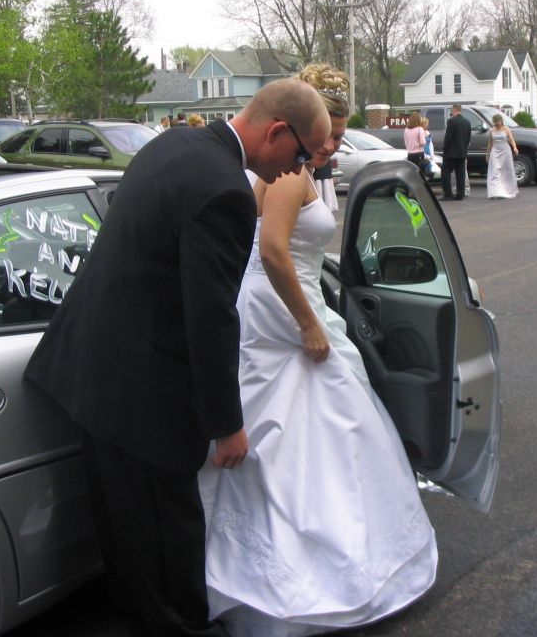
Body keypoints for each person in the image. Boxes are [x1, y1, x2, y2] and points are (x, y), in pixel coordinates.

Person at [24, 78, 331, 637]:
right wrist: (227, 425)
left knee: (125, 542)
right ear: (276, 132)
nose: (299, 168)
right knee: (168, 549)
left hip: (89, 372)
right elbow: (210, 317)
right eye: (302, 153)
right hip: (143, 398)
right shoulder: (225, 193)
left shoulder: (169, 147)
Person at [198, 65, 437, 637]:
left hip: (289, 298)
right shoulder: (286, 177)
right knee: (297, 431)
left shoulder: (299, 168)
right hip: (282, 307)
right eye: (330, 129)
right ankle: (297, 568)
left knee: (319, 424)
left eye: (339, 131)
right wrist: (308, 323)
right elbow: (274, 251)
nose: (333, 142)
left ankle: (340, 553)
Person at [298, 63, 348, 212]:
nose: (330, 146)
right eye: (323, 134)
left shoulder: (305, 170)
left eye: (338, 137)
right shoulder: (291, 176)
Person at [441, 104, 471, 200]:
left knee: (445, 172)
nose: (451, 112)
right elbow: (468, 138)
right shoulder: (467, 122)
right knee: (460, 174)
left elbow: (448, 137)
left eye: (451, 110)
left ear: (454, 109)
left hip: (451, 153)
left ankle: (448, 194)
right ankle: (460, 194)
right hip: (462, 152)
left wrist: (445, 148)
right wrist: (464, 149)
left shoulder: (451, 121)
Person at [486, 113, 519, 199]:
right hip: (495, 151)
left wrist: (515, 148)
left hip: (505, 151)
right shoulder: (491, 131)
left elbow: (511, 140)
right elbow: (490, 143)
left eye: (498, 123)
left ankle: (506, 190)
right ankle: (495, 192)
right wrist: (487, 154)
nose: (497, 125)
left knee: (506, 171)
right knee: (495, 171)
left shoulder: (506, 129)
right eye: (495, 123)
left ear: (501, 121)